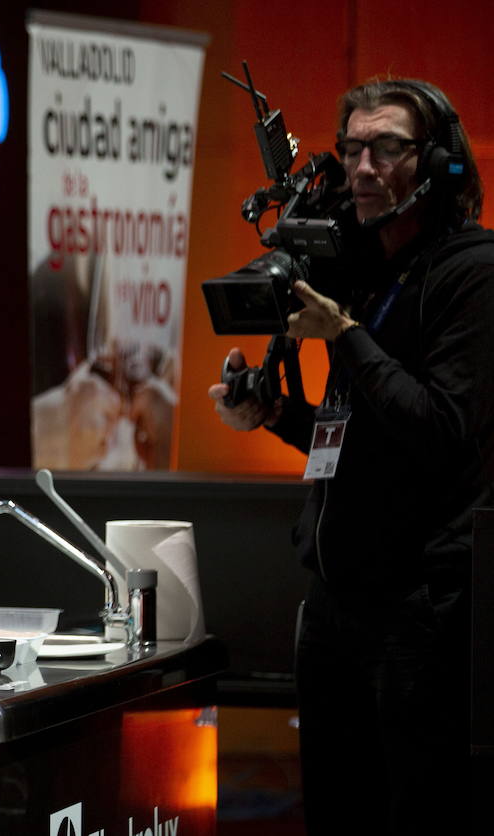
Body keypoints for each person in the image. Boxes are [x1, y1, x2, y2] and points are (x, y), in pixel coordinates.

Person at [209, 78, 494, 833]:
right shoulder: (366, 277)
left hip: (423, 617)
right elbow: (358, 440)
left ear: (437, 165)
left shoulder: (476, 272)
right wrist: (273, 413)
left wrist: (344, 336)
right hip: (336, 608)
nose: (364, 167)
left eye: (388, 148)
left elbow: (438, 429)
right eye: (353, 148)